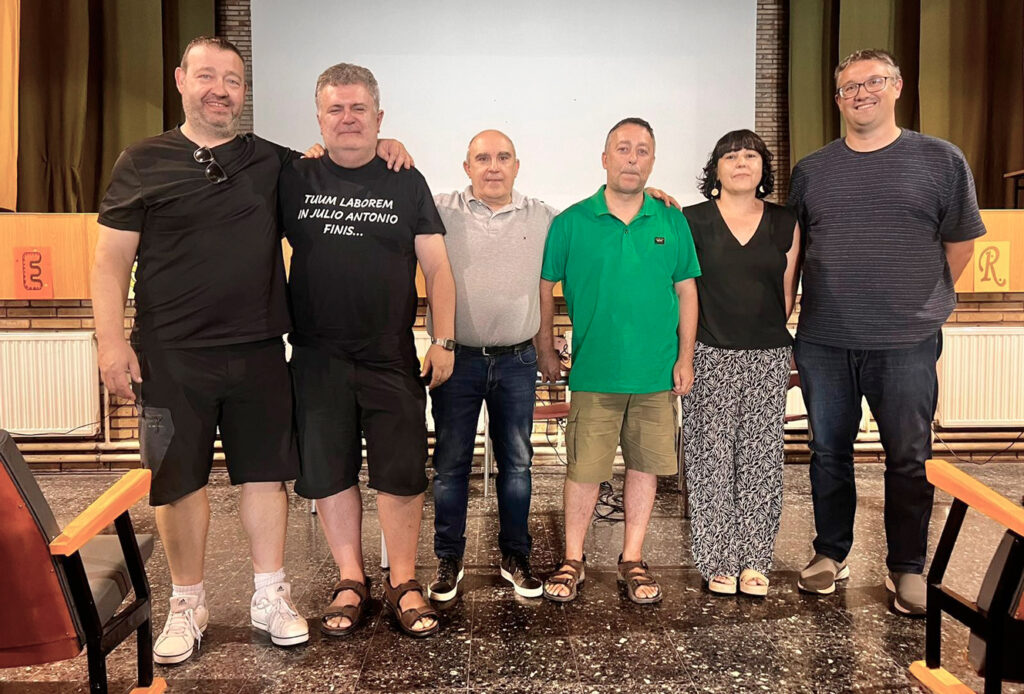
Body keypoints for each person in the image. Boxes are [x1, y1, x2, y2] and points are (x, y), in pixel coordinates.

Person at [92, 36, 411, 663]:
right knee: (177, 482)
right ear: (181, 80)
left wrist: (386, 145)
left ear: (244, 91)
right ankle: (187, 602)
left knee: (266, 476)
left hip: (260, 350)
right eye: (206, 76)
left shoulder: (274, 162)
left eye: (233, 80)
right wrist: (109, 342)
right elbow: (109, 261)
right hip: (170, 354)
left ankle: (271, 593)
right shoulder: (141, 161)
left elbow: (343, 160)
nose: (220, 90)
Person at [789, 49, 986, 615]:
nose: (861, 93)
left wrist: (920, 306)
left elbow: (960, 244)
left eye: (873, 81)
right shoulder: (812, 170)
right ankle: (830, 553)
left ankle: (907, 567)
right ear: (837, 100)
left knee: (908, 457)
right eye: (849, 87)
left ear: (897, 87)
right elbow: (795, 250)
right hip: (825, 339)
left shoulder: (940, 159)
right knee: (828, 451)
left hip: (906, 342)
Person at [279, 62, 455, 638]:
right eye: (336, 108)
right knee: (330, 471)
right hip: (317, 356)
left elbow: (438, 267)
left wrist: (443, 339)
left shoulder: (406, 179)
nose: (348, 118)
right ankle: (351, 578)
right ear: (319, 117)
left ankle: (403, 581)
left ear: (379, 117)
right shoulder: (295, 177)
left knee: (401, 473)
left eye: (359, 108)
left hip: (389, 354)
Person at [537, 117, 701, 604]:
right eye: (623, 149)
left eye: (642, 150)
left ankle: (632, 558)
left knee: (644, 468)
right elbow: (544, 287)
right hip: (595, 372)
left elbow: (687, 291)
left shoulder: (671, 220)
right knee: (584, 469)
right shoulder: (571, 222)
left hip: (655, 374)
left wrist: (686, 357)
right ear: (605, 158)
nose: (632, 158)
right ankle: (573, 558)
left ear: (653, 161)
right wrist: (544, 346)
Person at [426, 130, 557, 601]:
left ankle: (515, 555)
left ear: (517, 166)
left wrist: (653, 194)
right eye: (482, 158)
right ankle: (449, 558)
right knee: (450, 465)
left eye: (503, 158)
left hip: (517, 361)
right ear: (467, 167)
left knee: (517, 463)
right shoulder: (439, 209)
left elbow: (593, 219)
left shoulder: (543, 216)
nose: (493, 167)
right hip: (455, 360)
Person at [681, 129, 800, 597]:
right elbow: (683, 291)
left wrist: (762, 339)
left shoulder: (786, 221)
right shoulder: (691, 220)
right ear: (715, 169)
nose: (741, 162)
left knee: (761, 458)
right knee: (710, 459)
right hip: (709, 353)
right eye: (730, 156)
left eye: (751, 155)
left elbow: (786, 295)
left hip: (767, 355)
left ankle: (755, 561)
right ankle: (718, 560)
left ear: (763, 168)